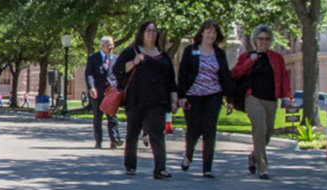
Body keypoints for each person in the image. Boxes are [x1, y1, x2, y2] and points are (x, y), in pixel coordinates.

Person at [114, 21, 179, 179]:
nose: (152, 33)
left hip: (158, 101)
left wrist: (174, 100)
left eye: (154, 31)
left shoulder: (163, 56)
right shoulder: (132, 51)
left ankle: (160, 169)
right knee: (133, 133)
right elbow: (118, 70)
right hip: (136, 99)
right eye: (148, 30)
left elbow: (171, 80)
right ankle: (130, 165)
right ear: (142, 33)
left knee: (157, 133)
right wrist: (134, 62)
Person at [230, 24, 293, 180]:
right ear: (255, 40)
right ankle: (263, 167)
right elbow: (235, 74)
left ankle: (253, 156)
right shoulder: (246, 56)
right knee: (260, 128)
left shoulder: (277, 58)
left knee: (267, 134)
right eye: (260, 39)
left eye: (267, 39)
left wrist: (287, 96)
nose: (264, 42)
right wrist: (249, 62)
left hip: (271, 99)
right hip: (253, 98)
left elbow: (284, 77)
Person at [177, 19, 234, 178]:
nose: (211, 35)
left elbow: (226, 77)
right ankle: (188, 155)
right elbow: (182, 74)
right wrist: (181, 96)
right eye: (208, 32)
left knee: (209, 130)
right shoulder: (191, 50)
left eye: (214, 33)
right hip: (193, 96)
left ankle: (207, 168)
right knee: (193, 130)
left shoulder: (219, 53)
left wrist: (229, 99)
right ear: (202, 32)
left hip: (213, 96)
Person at [85, 36, 124, 149]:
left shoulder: (115, 58)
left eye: (112, 45)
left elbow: (118, 74)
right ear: (102, 46)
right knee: (98, 117)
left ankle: (115, 140)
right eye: (109, 45)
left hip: (111, 92)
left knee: (112, 116)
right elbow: (89, 74)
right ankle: (98, 141)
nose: (111, 47)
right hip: (98, 91)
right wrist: (91, 87)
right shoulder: (93, 58)